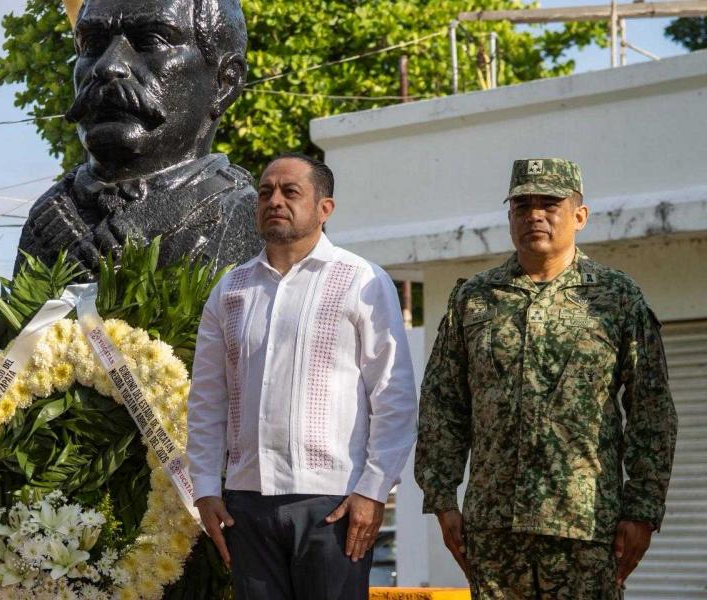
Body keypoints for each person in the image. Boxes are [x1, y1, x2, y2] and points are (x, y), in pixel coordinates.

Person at [415, 158, 677, 599]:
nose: (534, 215)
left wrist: (643, 509)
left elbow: (651, 410)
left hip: (584, 527)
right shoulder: (474, 299)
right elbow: (443, 403)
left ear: (580, 215)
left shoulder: (615, 297)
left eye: (549, 204)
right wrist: (441, 498)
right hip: (494, 530)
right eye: (522, 205)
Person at [187, 153, 417, 599]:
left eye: (290, 192)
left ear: (324, 208)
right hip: (245, 503)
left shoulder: (362, 280)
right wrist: (206, 488)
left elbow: (394, 394)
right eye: (265, 192)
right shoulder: (231, 289)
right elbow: (207, 398)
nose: (275, 200)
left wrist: (373, 491)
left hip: (332, 504)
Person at [16, 0, 263, 275]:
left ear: (225, 83)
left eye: (151, 41)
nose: (108, 66)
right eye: (91, 44)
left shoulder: (238, 212)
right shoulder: (47, 217)